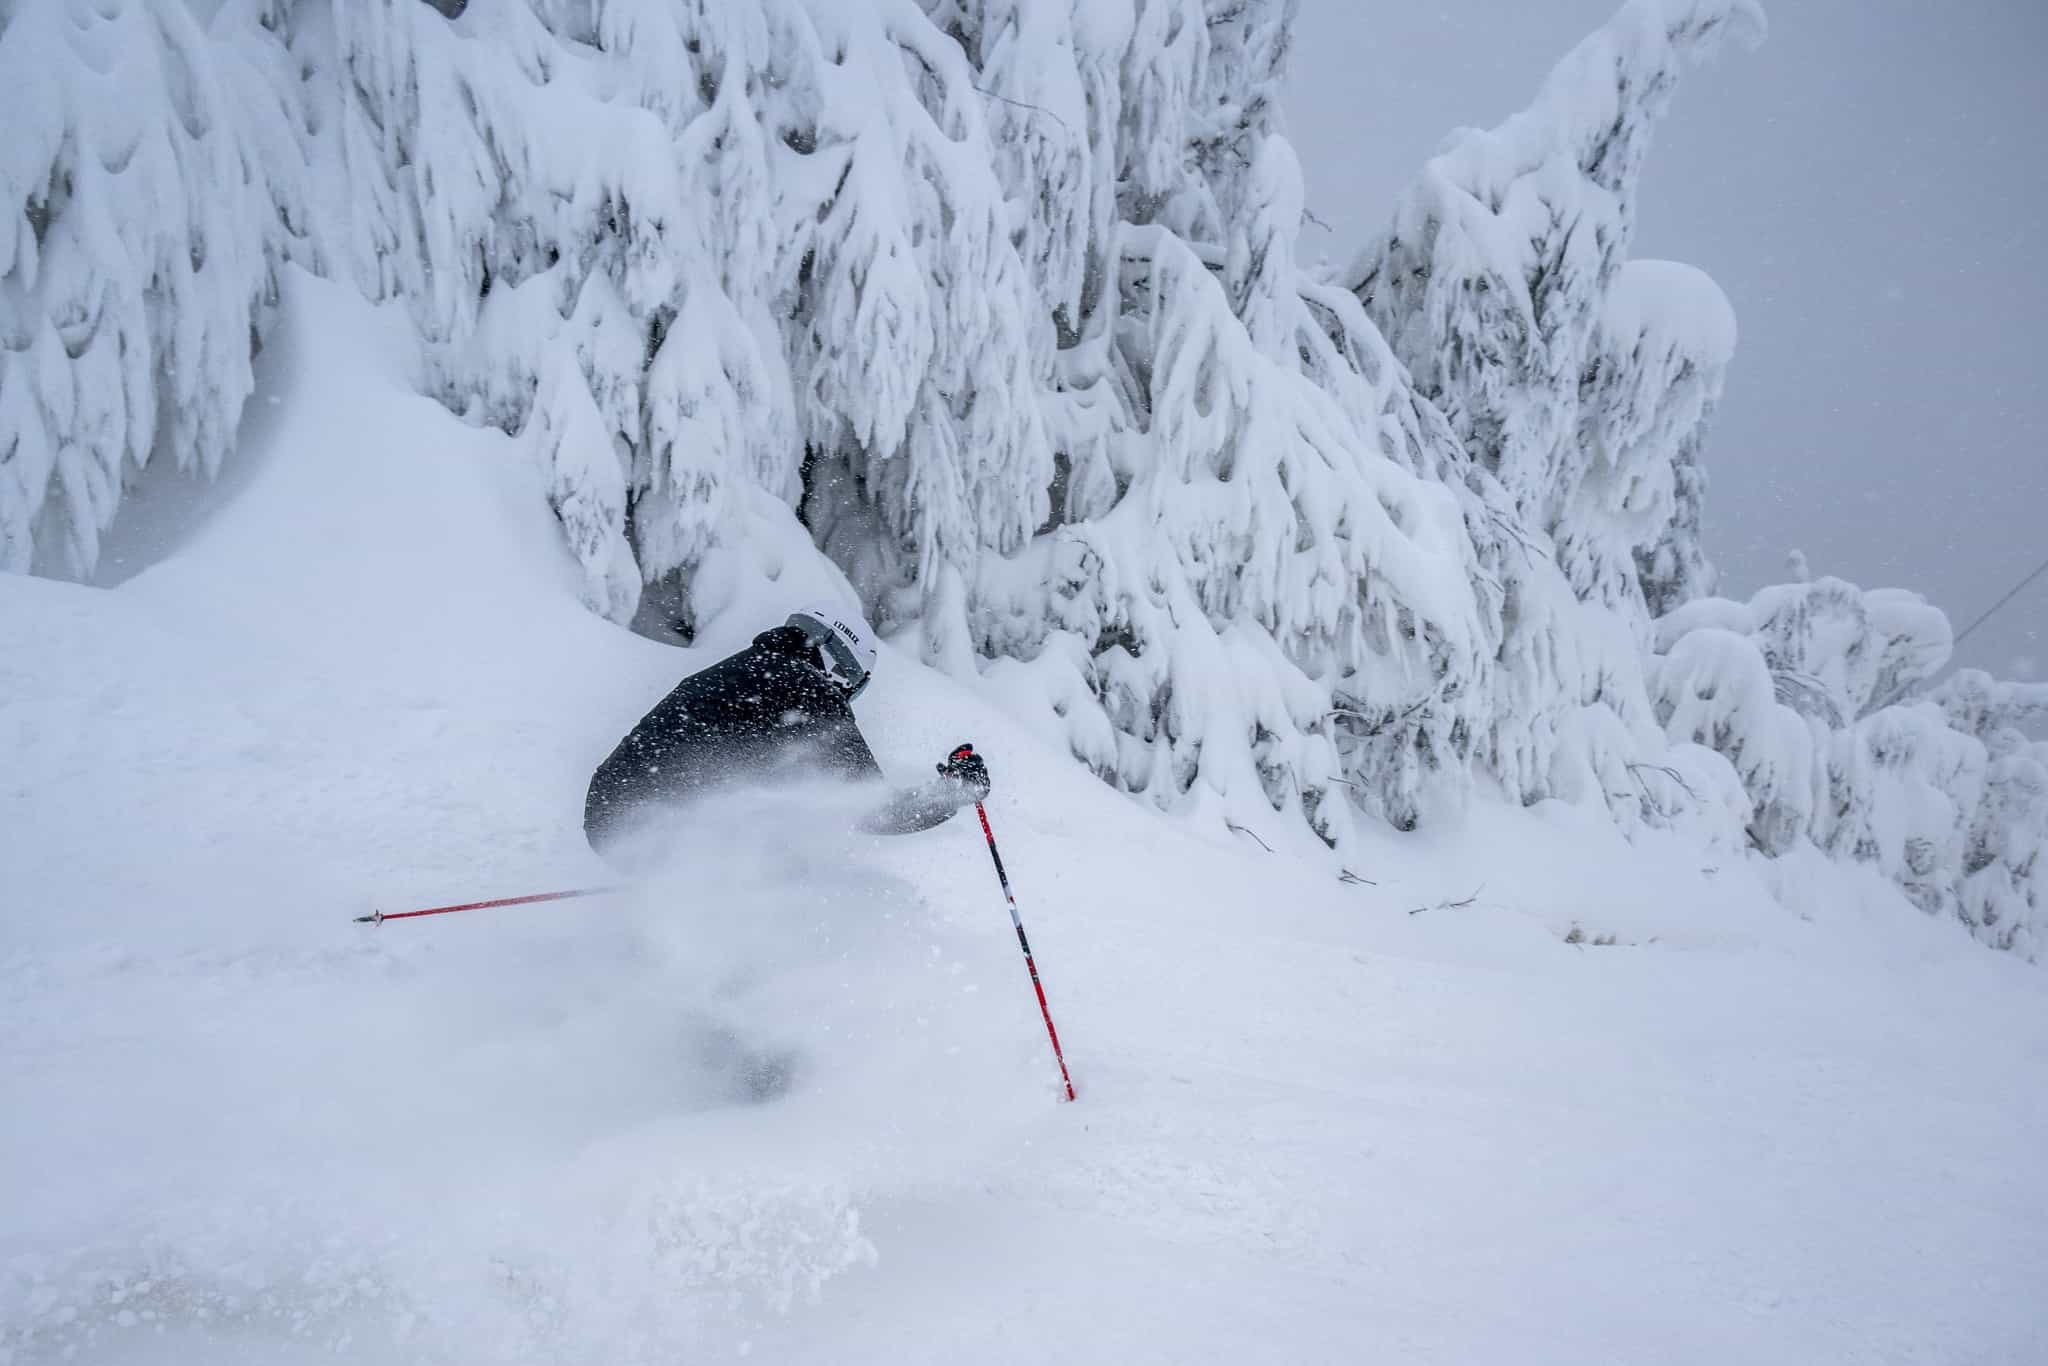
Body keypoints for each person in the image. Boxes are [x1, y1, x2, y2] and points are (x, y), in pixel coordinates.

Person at [583, 606, 992, 868]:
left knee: (786, 852)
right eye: (848, 681)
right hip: (656, 820)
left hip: (616, 812)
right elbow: (876, 809)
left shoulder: (753, 671)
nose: (843, 693)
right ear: (835, 660)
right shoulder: (803, 685)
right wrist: (955, 790)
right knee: (803, 895)